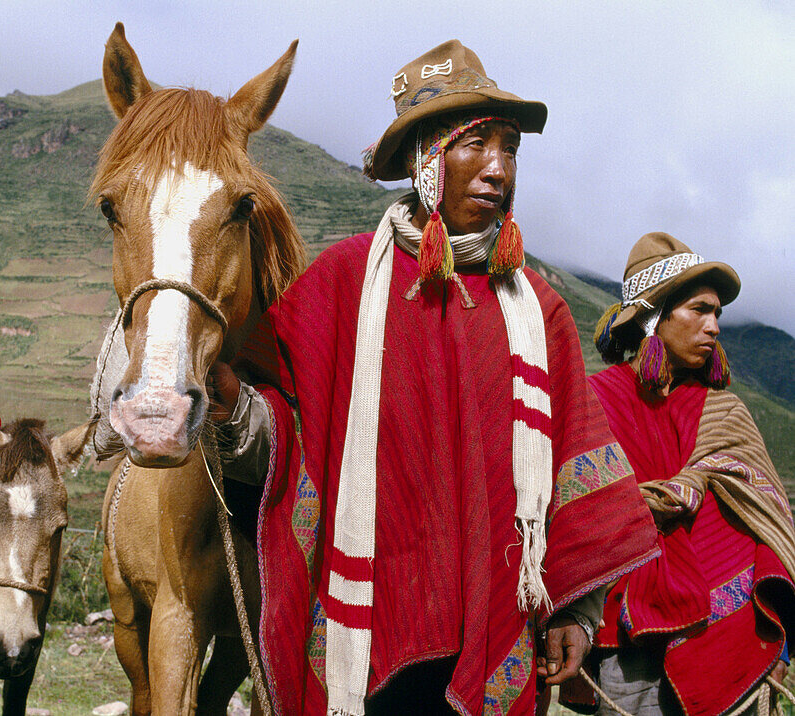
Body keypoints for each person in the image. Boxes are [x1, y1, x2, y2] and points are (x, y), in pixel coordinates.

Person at [206, 40, 659, 714]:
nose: (499, 168)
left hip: (499, 617)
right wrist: (238, 411)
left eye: (509, 149)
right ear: (425, 158)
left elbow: (572, 464)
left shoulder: (541, 310)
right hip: (372, 625)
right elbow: (289, 425)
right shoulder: (346, 283)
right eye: (477, 145)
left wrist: (581, 611)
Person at [575, 232, 795, 715]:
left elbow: (769, 528)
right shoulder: (594, 404)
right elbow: (573, 518)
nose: (714, 326)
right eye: (699, 310)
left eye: (718, 313)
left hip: (734, 640)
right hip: (627, 647)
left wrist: (776, 641)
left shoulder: (726, 413)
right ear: (655, 317)